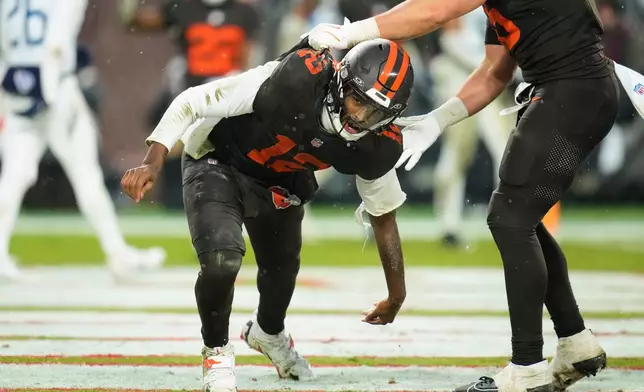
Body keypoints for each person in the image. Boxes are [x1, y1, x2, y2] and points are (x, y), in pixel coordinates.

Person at [307, 1, 624, 391]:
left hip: (571, 88)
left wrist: (352, 33)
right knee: (519, 217)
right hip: (575, 89)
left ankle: (526, 368)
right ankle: (575, 343)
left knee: (511, 219)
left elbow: (432, 13)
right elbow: (494, 71)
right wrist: (439, 119)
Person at [121, 38, 413, 392]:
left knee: (282, 269)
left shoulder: (376, 145)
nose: (360, 118)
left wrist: (397, 294)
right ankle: (217, 353)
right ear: (342, 82)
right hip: (219, 157)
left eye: (376, 113)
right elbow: (193, 101)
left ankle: (268, 334)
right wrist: (152, 160)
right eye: (358, 101)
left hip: (279, 178)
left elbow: (383, 216)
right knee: (221, 260)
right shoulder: (298, 79)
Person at [0, 0, 165, 281]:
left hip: (16, 88)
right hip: (54, 90)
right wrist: (48, 92)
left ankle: (1, 255)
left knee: (15, 175)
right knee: (85, 174)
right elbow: (56, 42)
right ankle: (117, 255)